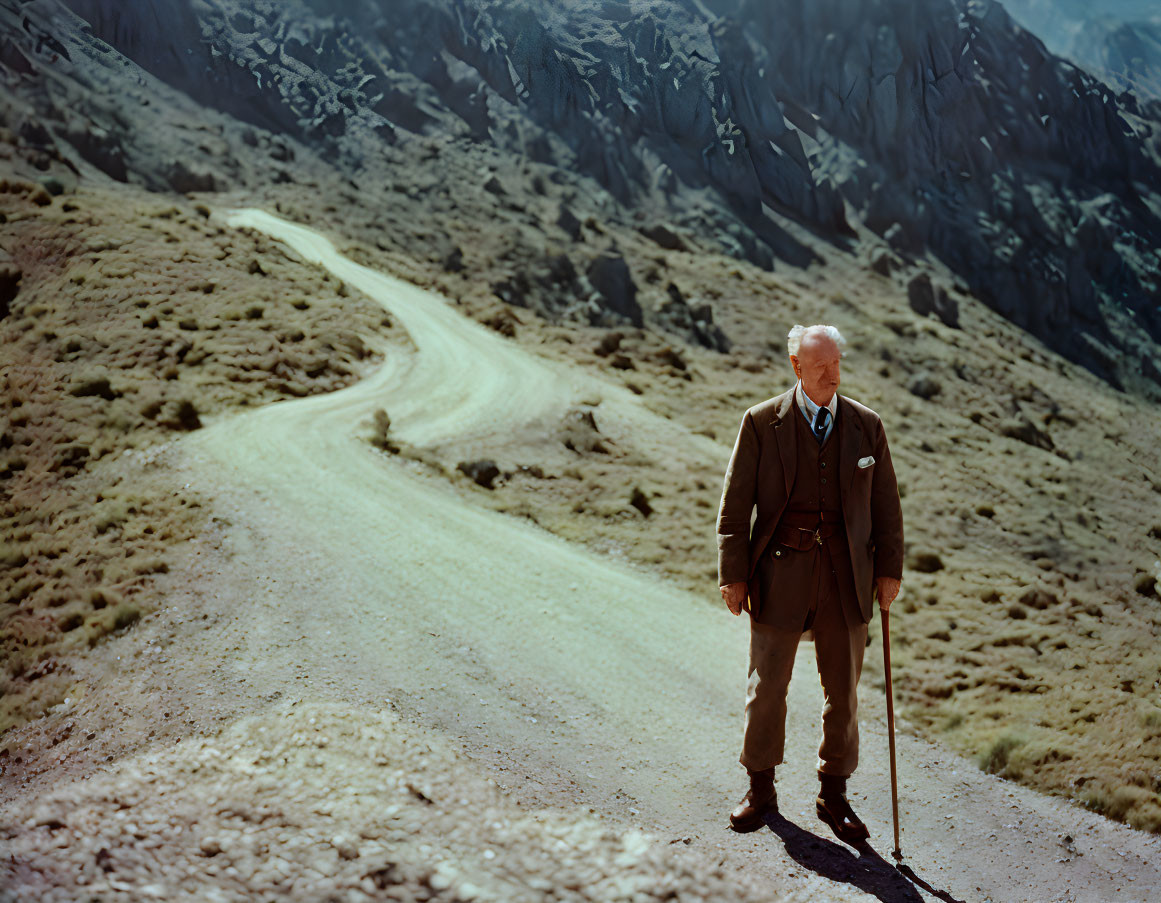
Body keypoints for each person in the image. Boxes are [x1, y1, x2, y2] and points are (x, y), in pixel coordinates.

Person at [716, 323, 904, 842]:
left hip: (846, 579)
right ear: (796, 367)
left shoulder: (868, 425)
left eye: (838, 364)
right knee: (768, 687)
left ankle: (834, 794)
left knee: (843, 691)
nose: (833, 375)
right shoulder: (759, 423)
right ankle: (760, 789)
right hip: (779, 573)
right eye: (821, 367)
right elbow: (735, 508)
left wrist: (889, 571)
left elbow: (887, 507)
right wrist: (733, 576)